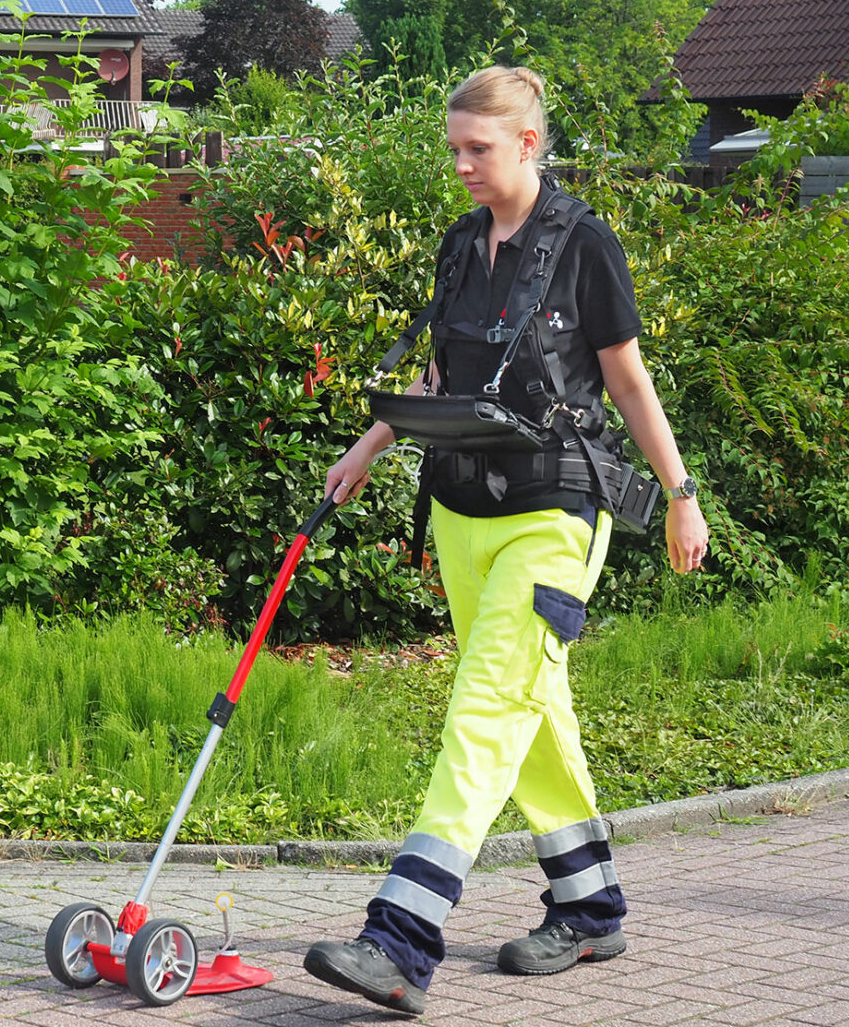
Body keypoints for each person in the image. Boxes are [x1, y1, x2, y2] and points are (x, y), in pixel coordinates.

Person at [301, 65, 710, 1017]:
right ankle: (591, 906)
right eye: (453, 149)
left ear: (528, 143)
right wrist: (367, 447)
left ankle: (400, 940)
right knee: (533, 707)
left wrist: (680, 492)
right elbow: (446, 369)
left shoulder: (586, 245)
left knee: (486, 707)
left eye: (475, 149)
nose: (461, 166)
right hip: (460, 509)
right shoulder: (460, 244)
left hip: (555, 507)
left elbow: (628, 381)